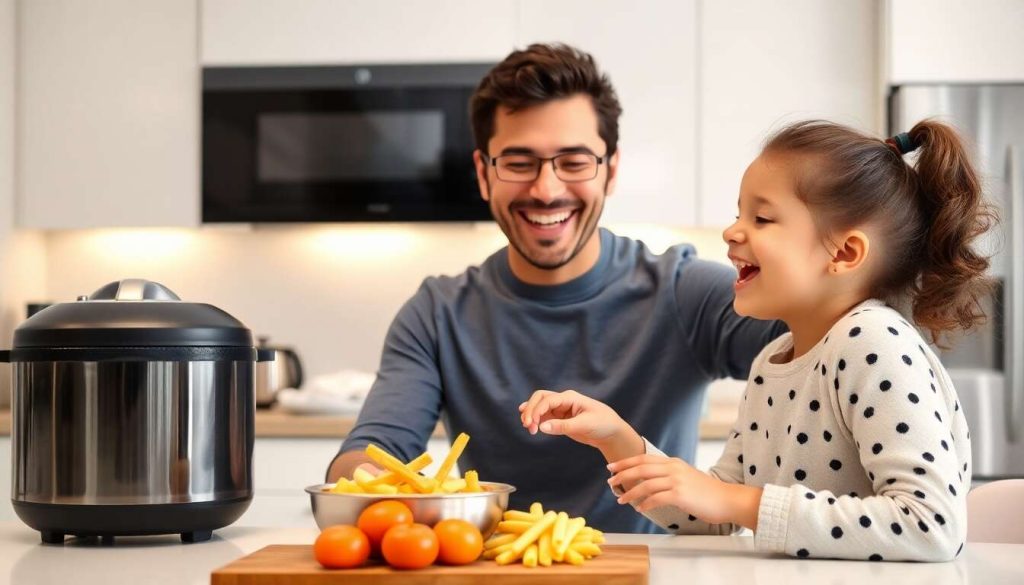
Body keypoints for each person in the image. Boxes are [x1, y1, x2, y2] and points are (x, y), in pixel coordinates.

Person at [326, 43, 784, 533]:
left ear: (610, 170)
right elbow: (371, 453)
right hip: (495, 567)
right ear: (484, 174)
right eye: (519, 163)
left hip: (653, 570)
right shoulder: (437, 314)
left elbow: (828, 342)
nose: (546, 190)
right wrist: (367, 484)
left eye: (574, 161)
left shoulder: (685, 292)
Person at [520, 119, 994, 560]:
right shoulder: (774, 362)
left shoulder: (873, 342)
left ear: (845, 253)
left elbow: (931, 525)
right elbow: (711, 513)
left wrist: (737, 501)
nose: (732, 231)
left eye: (762, 219)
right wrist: (619, 439)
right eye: (739, 213)